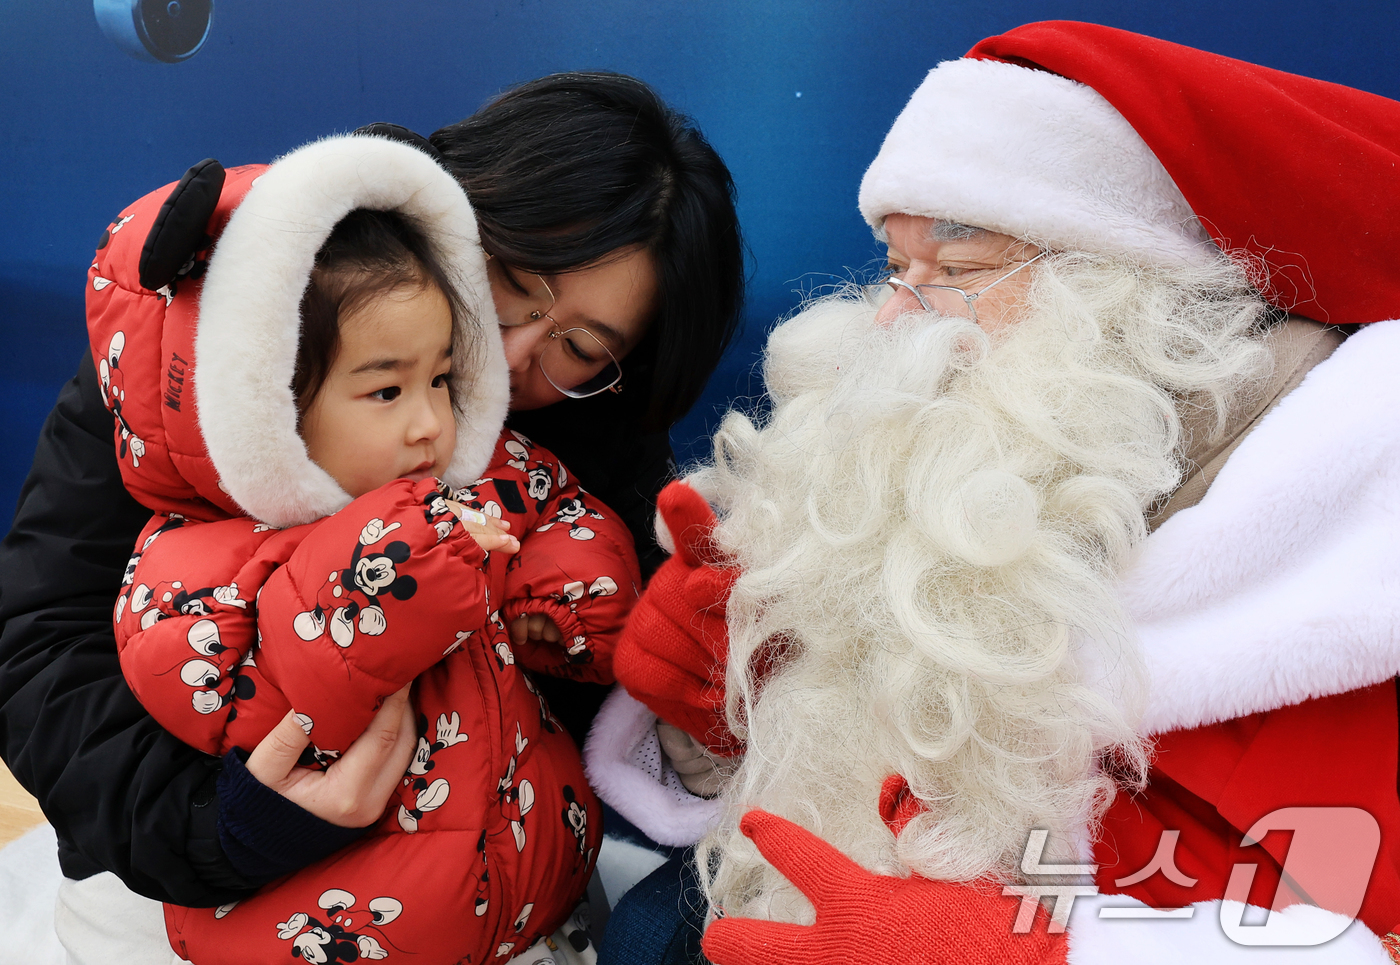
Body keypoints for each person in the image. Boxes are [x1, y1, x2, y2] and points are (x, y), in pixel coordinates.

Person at [599, 21, 1400, 965]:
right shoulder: (990, 469)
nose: (893, 317)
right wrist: (736, 704)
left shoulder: (1353, 549)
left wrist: (1043, 954)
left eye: (959, 271)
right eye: (894, 268)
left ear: (1136, 295)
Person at [0, 72, 742, 963]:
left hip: (492, 900)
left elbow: (600, 675)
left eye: (579, 348)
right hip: (188, 884)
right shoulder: (233, 319)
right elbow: (44, 629)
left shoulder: (582, 435)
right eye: (510, 280)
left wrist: (637, 672)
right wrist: (226, 828)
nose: (508, 354)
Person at [89, 132, 644, 964]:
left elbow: (564, 509)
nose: (429, 421)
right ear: (269, 394)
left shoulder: (472, 472)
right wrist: (410, 564)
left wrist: (566, 602)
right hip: (327, 930)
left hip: (526, 897)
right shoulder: (192, 556)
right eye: (385, 389)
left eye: (443, 379)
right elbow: (239, 699)